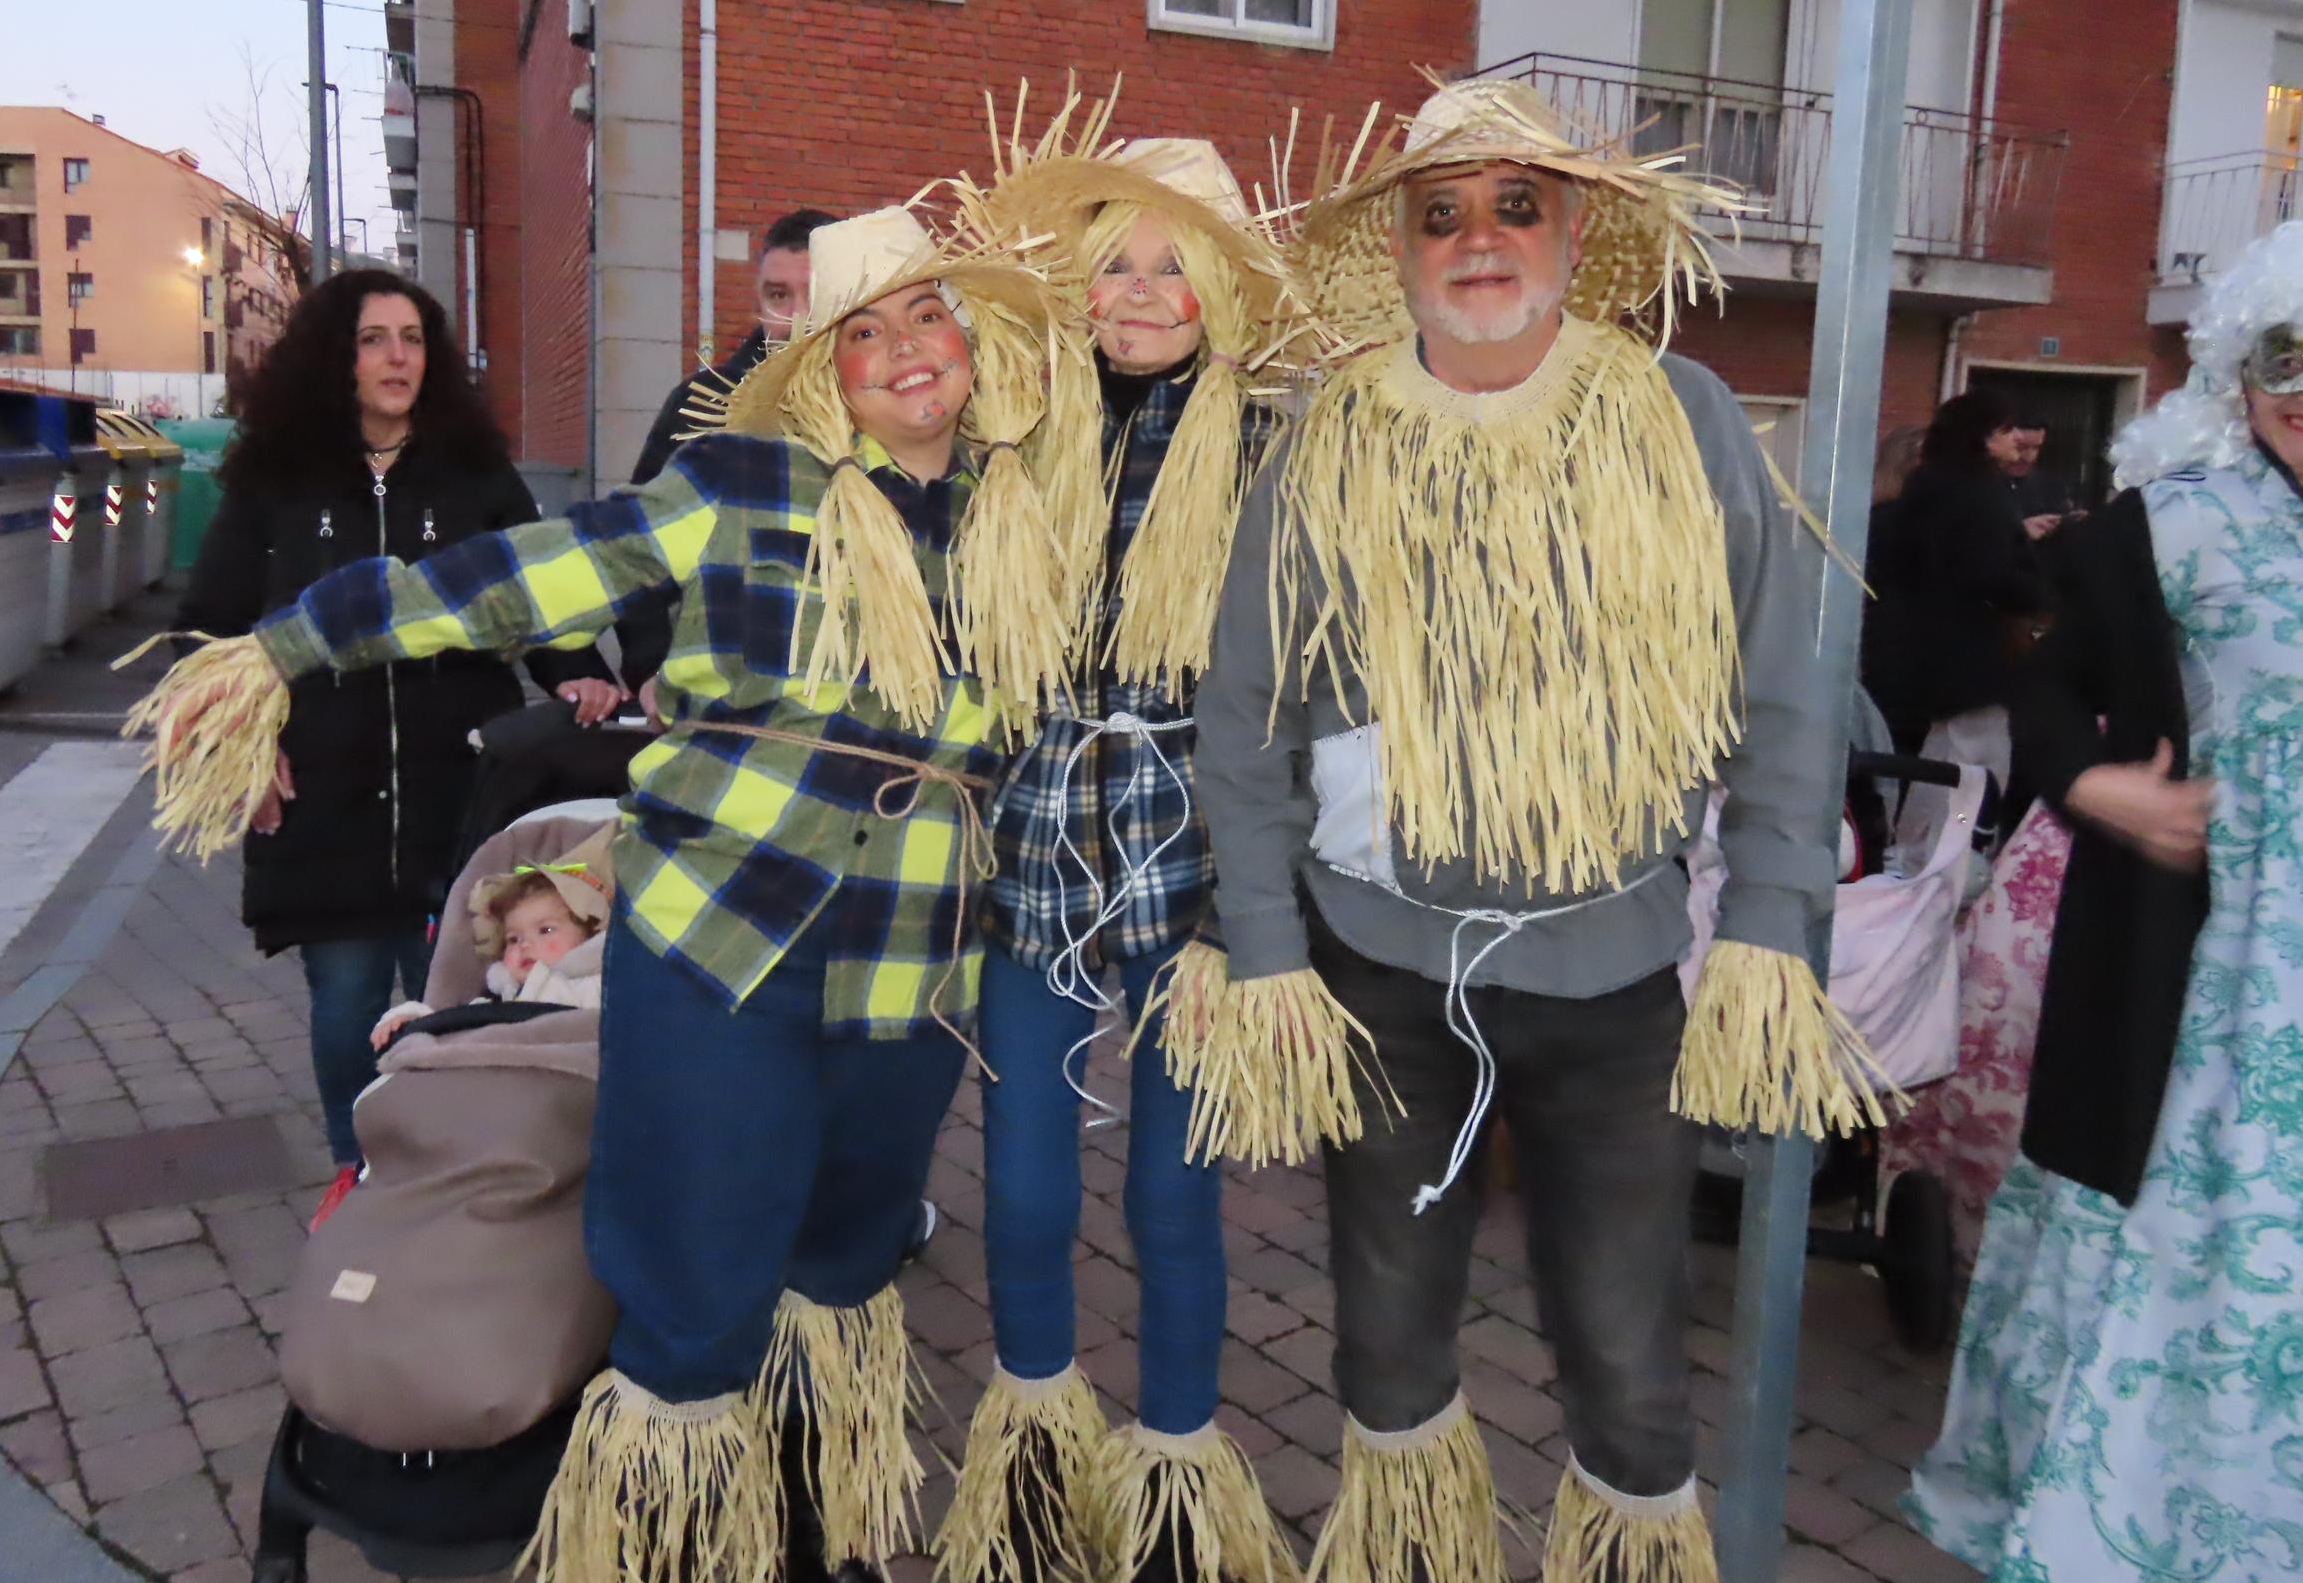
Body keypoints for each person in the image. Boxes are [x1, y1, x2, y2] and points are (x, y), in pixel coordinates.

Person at [125, 203, 1082, 1583]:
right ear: (827, 369)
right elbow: (520, 579)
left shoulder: (1019, 522)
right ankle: (683, 1536)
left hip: (910, 952)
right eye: (863, 330)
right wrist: (285, 647)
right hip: (719, 930)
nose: (905, 350)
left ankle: (808, 1525)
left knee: (849, 1257)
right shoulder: (745, 483)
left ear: (973, 340)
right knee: (697, 1273)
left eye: (929, 314)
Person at [1174, 78, 1859, 1583]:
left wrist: (1764, 921)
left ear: (1573, 230)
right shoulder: (1331, 434)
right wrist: (1273, 955)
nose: (1478, 240)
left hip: (1616, 977)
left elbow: (1785, 685)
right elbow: (1247, 717)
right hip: (1376, 972)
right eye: (1442, 215)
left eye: (1514, 206)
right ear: (1406, 252)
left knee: (1627, 1356)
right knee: (1387, 1336)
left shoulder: (1678, 416)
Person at [937, 133, 1313, 1583]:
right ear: (1077, 285)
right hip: (1035, 837)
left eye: (1173, 265)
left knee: (1173, 1191)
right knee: (1023, 1177)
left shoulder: (1275, 444)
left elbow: (1294, 685)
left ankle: (1169, 1489)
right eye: (1117, 264)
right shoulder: (1018, 430)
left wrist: (1252, 907)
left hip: (1195, 862)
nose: (1143, 291)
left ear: (1217, 288)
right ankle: (1032, 1467)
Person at [1906, 222, 2303, 1579]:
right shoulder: (2180, 525)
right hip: (2215, 979)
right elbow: (2038, 671)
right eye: (2286, 359)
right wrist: (2093, 785)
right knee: (2196, 1237)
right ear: (2241, 378)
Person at [174, 268, 620, 1216]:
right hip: (322, 793)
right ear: (337, 357)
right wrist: (240, 743)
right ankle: (359, 1170)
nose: (396, 357)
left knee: (460, 989)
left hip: (455, 780)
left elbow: (538, 591)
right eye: (374, 338)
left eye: (412, 338)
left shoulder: (474, 475)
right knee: (344, 1003)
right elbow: (205, 629)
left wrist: (574, 670)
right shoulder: (276, 479)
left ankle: (454, 1175)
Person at [617, 208, 839, 696]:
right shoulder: (700, 408)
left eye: (816, 295)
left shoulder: (887, 415)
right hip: (710, 698)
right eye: (779, 295)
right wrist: (650, 666)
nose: (797, 318)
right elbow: (634, 550)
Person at [1859, 387, 2050, 754]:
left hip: (1903, 660)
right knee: (1963, 780)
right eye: (2006, 429)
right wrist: (2047, 595)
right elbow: (1988, 573)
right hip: (1967, 665)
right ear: (1981, 436)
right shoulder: (1980, 494)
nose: (2018, 437)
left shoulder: (1922, 491)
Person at [369, 845, 614, 1050]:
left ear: (591, 934)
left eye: (545, 930)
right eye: (513, 939)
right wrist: (410, 1018)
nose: (525, 945)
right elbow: (456, 1022)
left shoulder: (600, 988)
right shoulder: (504, 998)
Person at [1999, 414, 2077, 539]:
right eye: (2021, 447)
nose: (2029, 457)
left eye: (2036, 448)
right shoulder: (1979, 485)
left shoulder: (2052, 486)